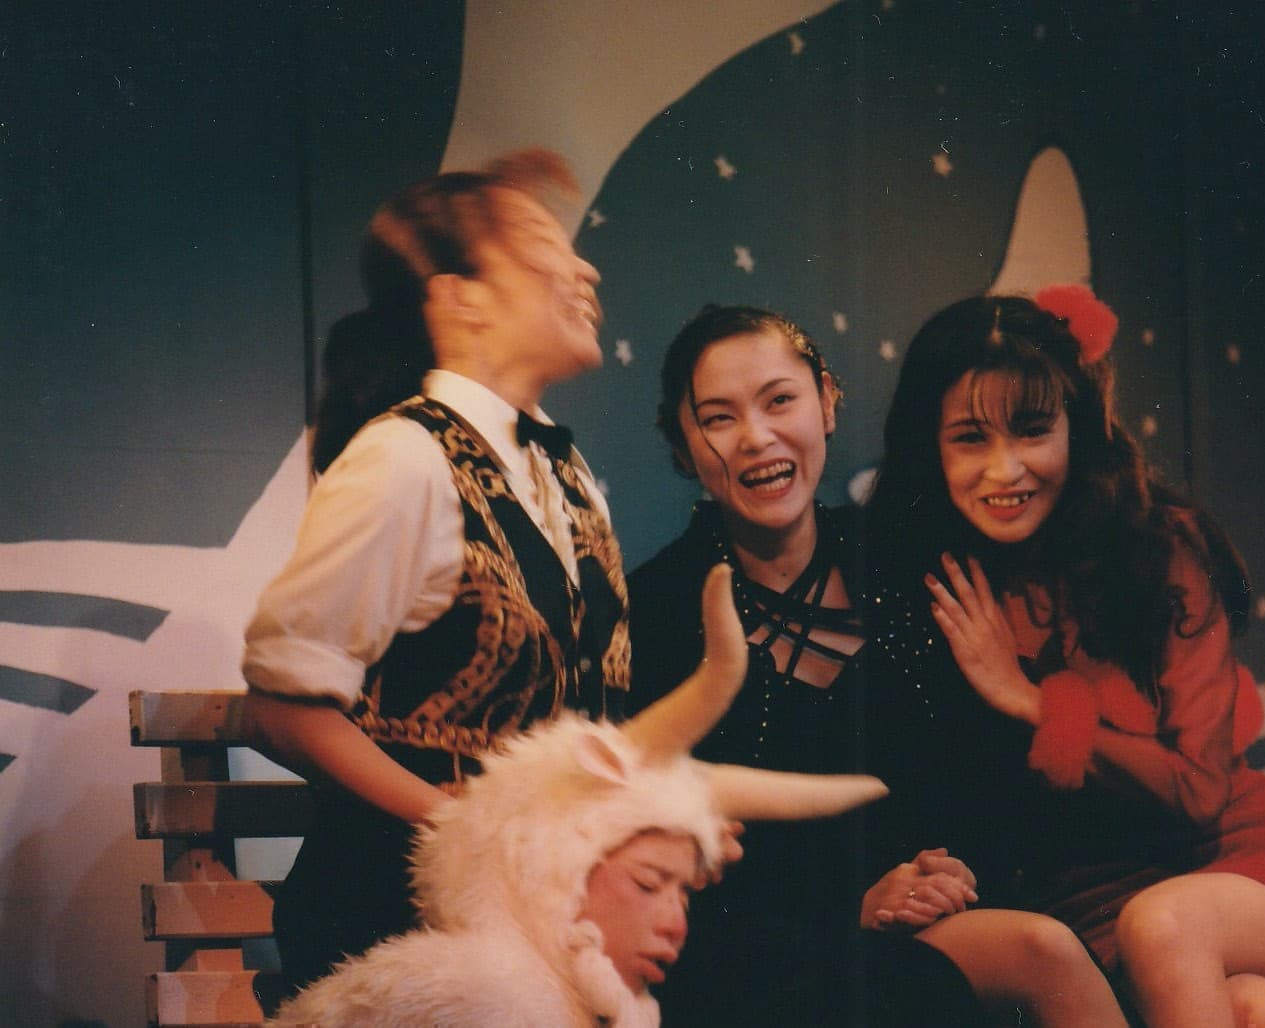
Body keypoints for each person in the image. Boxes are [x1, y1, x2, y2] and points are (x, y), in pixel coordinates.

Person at [865, 285, 1265, 1026]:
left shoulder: (1158, 547)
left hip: (1245, 863)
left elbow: (1199, 789)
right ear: (929, 447)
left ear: (1077, 427)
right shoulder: (928, 584)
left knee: (1165, 926)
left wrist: (1025, 698)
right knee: (1260, 1012)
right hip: (1085, 909)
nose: (1005, 469)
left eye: (1033, 430)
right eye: (971, 438)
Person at [628, 305, 1111, 1025]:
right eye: (719, 418)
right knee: (1042, 952)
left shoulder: (914, 560)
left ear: (827, 402)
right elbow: (662, 861)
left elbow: (990, 782)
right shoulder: (655, 612)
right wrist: (852, 908)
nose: (756, 437)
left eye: (780, 400)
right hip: (760, 964)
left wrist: (951, 870)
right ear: (683, 443)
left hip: (946, 920)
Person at [241, 149, 633, 992]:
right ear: (462, 297)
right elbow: (281, 709)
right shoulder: (403, 459)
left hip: (533, 927)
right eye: (544, 247)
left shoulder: (567, 474)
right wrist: (463, 825)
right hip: (399, 931)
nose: (585, 269)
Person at [268, 566, 890, 1027]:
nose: (676, 922)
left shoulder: (594, 1002)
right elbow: (279, 703)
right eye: (649, 884)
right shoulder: (485, 997)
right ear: (557, 868)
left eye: (682, 892)